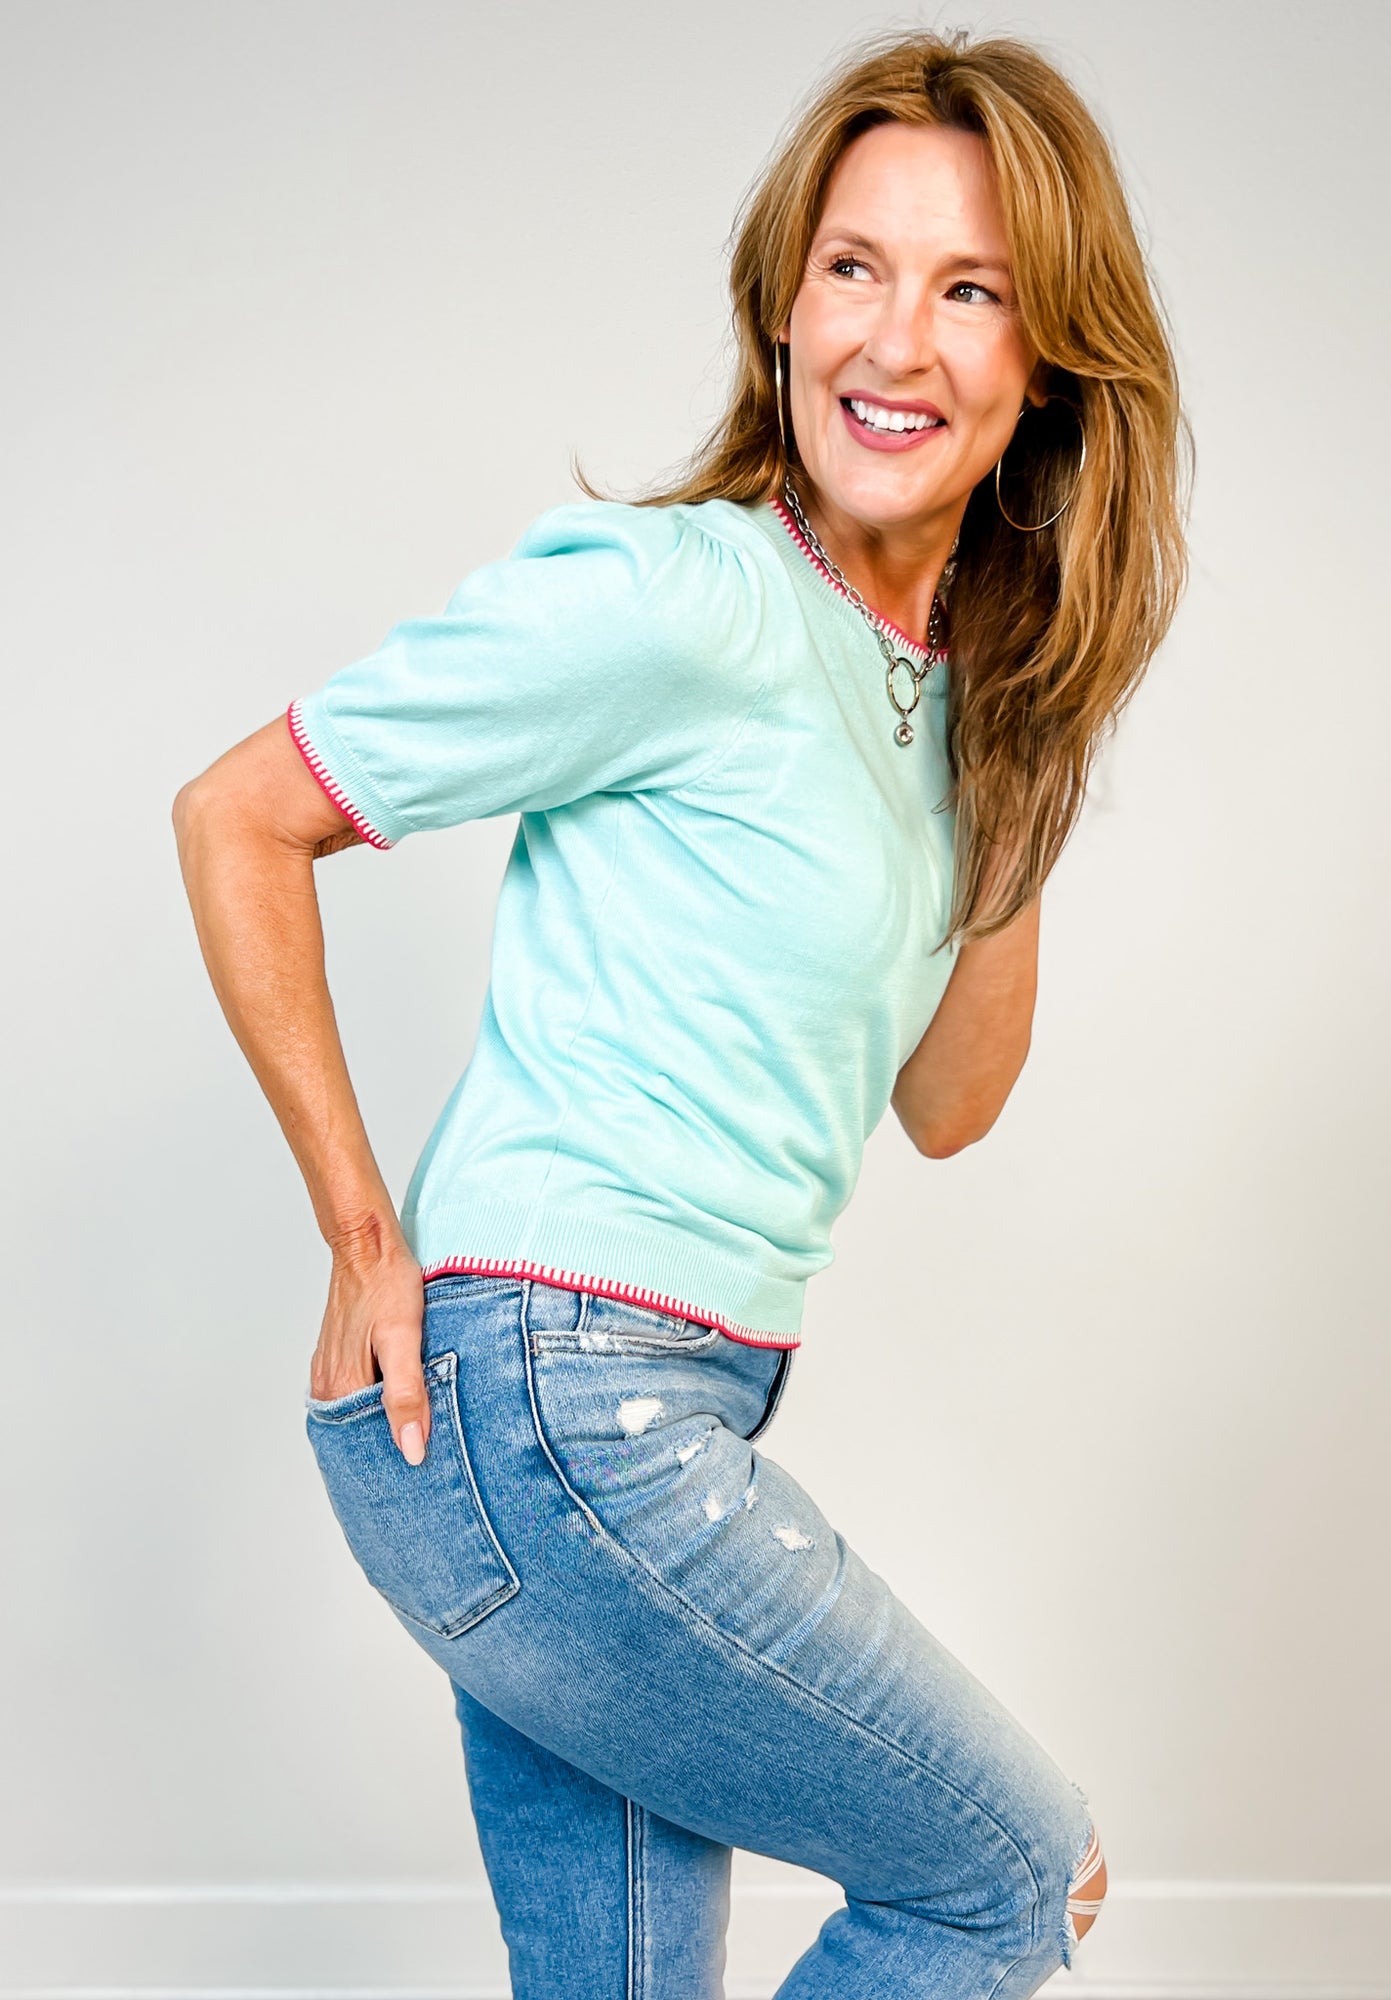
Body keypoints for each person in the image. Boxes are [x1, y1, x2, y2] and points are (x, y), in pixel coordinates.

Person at [174, 27, 1187, 1999]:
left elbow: (952, 1100)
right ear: (784, 306)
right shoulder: (686, 598)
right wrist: (361, 1230)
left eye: (970, 291)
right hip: (554, 1398)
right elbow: (241, 815)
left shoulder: (944, 706)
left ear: (1049, 366)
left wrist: (1020, 738)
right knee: (1012, 1878)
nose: (894, 339)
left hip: (615, 1414)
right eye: (854, 268)